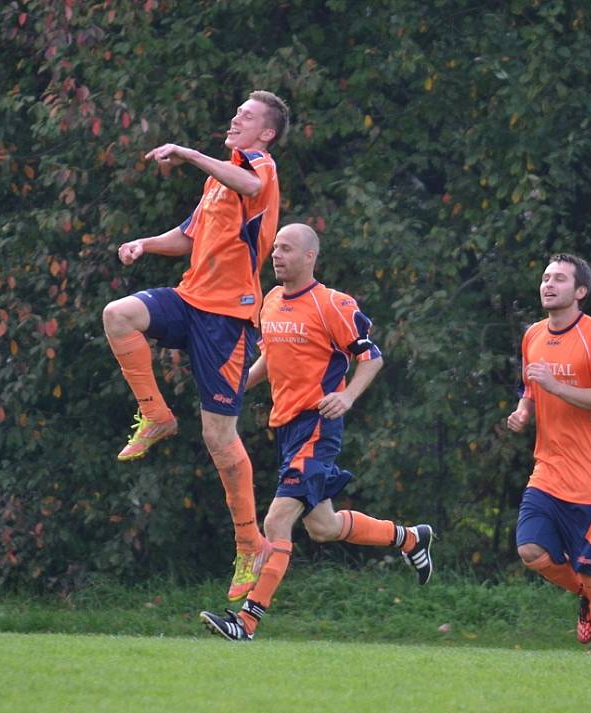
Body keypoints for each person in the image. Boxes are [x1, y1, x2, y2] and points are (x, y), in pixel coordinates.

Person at [199, 223, 434, 641]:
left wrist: (346, 398)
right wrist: (229, 390)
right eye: (275, 249)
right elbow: (269, 361)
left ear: (309, 256)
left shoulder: (332, 304)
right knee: (323, 527)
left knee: (276, 521)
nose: (276, 256)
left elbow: (372, 358)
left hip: (317, 426)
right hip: (286, 428)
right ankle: (410, 539)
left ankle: (246, 622)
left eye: (286, 249)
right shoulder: (270, 301)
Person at [102, 90, 290, 601]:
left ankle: (250, 543)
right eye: (236, 112)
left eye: (246, 116)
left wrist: (185, 153)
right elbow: (189, 235)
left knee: (219, 438)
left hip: (228, 320)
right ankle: (155, 414)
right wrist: (146, 244)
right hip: (190, 300)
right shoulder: (217, 179)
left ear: (266, 133)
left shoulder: (259, 169)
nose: (235, 118)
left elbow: (248, 181)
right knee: (119, 315)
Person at [506, 254, 591, 653]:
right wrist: (523, 411)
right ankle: (589, 597)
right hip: (549, 468)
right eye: (545, 277)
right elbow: (531, 388)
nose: (548, 284)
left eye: (559, 279)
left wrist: (556, 388)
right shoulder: (533, 335)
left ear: (580, 292)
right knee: (530, 549)